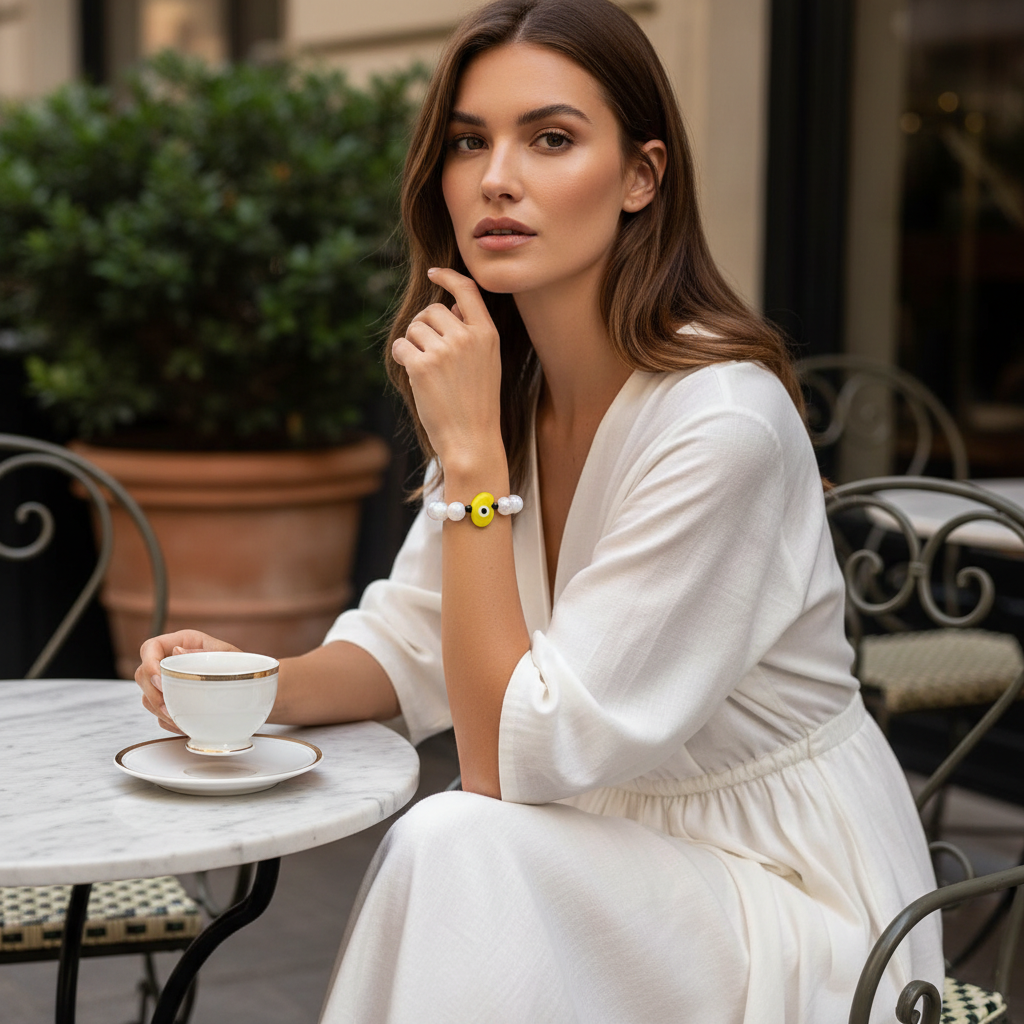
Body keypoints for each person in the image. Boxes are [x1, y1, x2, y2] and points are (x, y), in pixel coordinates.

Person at [135, 0, 944, 1020]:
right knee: (466, 856)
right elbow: (415, 641)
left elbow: (508, 762)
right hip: (592, 852)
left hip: (795, 899)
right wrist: (245, 685)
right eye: (469, 142)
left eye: (550, 138)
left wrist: (473, 466)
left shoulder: (720, 423)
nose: (495, 177)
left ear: (642, 177)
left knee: (456, 838)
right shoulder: (508, 389)